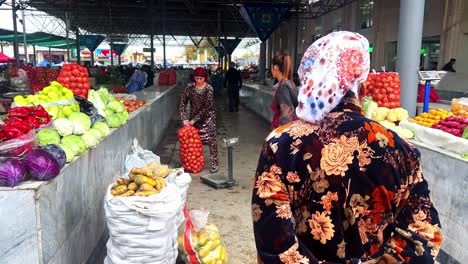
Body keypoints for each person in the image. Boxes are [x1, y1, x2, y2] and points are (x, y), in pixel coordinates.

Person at [252, 31, 442, 264]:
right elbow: (424, 233)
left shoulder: (279, 145)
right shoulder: (401, 149)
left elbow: (273, 241)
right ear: (361, 88)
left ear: (308, 81)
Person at [180, 67, 218, 173]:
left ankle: (214, 164)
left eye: (201, 78)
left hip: (208, 118)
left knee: (211, 141)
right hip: (193, 118)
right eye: (197, 78)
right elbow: (183, 103)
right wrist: (184, 118)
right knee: (193, 142)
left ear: (205, 78)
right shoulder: (190, 87)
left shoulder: (209, 89)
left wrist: (194, 120)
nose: (199, 81)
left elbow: (207, 107)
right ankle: (193, 163)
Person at [270, 53, 298, 130]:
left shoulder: (283, 86)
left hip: (284, 129)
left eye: (271, 67)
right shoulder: (290, 83)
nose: (271, 70)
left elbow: (287, 113)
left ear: (275, 67)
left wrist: (280, 134)